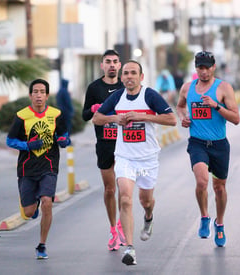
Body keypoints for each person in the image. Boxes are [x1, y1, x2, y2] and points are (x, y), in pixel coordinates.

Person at [93, 60, 177, 265]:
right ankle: (129, 248)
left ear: (141, 77)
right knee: (125, 199)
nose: (129, 76)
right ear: (122, 78)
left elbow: (171, 119)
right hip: (125, 157)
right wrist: (115, 119)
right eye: (126, 73)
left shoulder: (150, 95)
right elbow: (97, 118)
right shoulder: (117, 97)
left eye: (133, 73)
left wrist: (143, 117)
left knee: (145, 200)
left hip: (148, 159)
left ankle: (148, 217)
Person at [176, 51, 240, 248]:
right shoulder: (187, 88)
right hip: (197, 143)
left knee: (219, 188)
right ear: (196, 69)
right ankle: (204, 216)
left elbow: (236, 119)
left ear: (213, 67)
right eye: (200, 68)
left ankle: (219, 224)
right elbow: (179, 107)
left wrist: (216, 106)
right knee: (202, 182)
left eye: (207, 68)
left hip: (219, 145)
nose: (203, 72)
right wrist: (183, 117)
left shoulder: (224, 88)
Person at [6, 79, 71, 259]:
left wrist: (64, 141)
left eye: (42, 92)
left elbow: (65, 136)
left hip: (49, 166)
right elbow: (10, 141)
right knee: (28, 213)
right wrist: (29, 145)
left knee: (47, 202)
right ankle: (33, 206)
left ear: (47, 95)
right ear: (30, 95)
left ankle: (42, 245)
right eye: (35, 92)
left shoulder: (56, 114)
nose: (39, 95)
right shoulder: (22, 116)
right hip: (27, 168)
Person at [82, 49, 126, 251]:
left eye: (115, 62)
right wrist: (93, 109)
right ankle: (112, 229)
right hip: (105, 143)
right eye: (108, 62)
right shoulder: (94, 87)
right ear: (102, 65)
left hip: (125, 144)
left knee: (124, 188)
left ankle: (123, 226)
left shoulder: (126, 85)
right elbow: (84, 115)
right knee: (110, 189)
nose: (111, 65)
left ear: (119, 65)